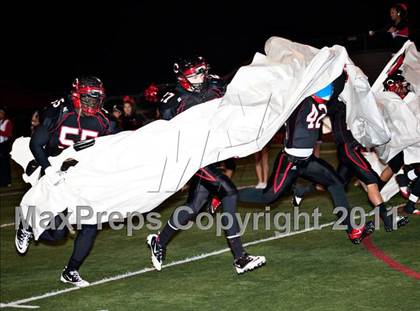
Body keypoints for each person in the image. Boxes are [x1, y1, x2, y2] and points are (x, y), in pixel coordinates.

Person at [148, 56, 266, 274]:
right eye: (195, 74)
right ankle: (240, 258)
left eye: (202, 72)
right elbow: (166, 135)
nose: (201, 77)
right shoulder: (172, 100)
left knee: (193, 206)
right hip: (191, 155)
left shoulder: (214, 84)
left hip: (211, 153)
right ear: (182, 77)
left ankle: (159, 241)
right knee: (229, 192)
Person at [238, 70, 376, 244]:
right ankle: (227, 195)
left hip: (308, 161)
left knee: (337, 183)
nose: (329, 94)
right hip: (289, 161)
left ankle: (351, 229)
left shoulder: (322, 101)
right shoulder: (299, 102)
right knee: (269, 196)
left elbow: (337, 86)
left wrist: (341, 69)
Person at [15, 76, 113, 287]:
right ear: (77, 96)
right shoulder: (59, 110)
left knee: (91, 224)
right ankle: (27, 225)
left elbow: (111, 150)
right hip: (53, 169)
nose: (93, 104)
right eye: (88, 99)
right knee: (57, 234)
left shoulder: (104, 120)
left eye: (97, 100)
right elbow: (36, 144)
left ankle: (71, 271)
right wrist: (49, 170)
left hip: (81, 176)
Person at [294, 98, 409, 231]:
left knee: (337, 183)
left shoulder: (348, 99)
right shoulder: (336, 103)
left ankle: (302, 190)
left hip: (350, 149)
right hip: (348, 149)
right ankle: (388, 220)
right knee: (371, 180)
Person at [0, 107, 13, 187]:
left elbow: (8, 134)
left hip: (3, 145)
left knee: (5, 163)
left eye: (1, 113)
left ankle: (7, 181)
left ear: (4, 114)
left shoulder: (7, 122)